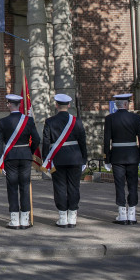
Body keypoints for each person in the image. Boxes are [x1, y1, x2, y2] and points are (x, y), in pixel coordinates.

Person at [42, 94, 87, 228]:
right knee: (74, 187)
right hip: (75, 158)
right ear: (68, 105)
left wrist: (46, 160)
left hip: (57, 159)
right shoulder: (77, 121)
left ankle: (62, 217)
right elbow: (82, 142)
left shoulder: (49, 122)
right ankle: (72, 216)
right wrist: (84, 159)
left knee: (60, 187)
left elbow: (45, 143)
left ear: (56, 105)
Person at [0, 94, 41, 229]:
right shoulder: (29, 120)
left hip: (10, 157)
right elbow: (37, 139)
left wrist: (0, 161)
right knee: (25, 186)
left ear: (10, 104)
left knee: (12, 187)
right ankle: (25, 219)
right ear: (20, 105)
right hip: (25, 155)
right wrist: (30, 151)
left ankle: (14, 220)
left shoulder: (3, 121)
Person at [103, 93, 140, 224]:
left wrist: (106, 158)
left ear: (117, 105)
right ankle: (132, 214)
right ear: (126, 105)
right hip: (133, 156)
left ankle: (122, 214)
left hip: (117, 156)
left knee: (119, 185)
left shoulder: (110, 118)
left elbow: (106, 141)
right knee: (133, 185)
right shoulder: (135, 118)